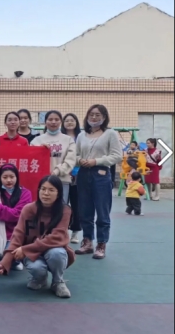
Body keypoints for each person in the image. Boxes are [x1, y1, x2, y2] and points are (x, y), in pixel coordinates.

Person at [0, 175, 75, 299]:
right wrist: (5, 263)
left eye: (51, 190)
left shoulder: (65, 210)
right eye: (43, 189)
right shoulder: (29, 209)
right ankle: (40, 279)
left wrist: (25, 249)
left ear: (58, 193)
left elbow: (56, 237)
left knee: (57, 253)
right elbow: (18, 235)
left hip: (51, 249)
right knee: (37, 268)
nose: (46, 193)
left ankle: (58, 282)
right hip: (32, 254)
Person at [75, 104, 122, 259]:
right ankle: (87, 241)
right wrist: (79, 160)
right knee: (85, 210)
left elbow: (117, 156)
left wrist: (96, 161)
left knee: (102, 211)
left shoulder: (110, 134)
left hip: (101, 174)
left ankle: (101, 244)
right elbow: (75, 154)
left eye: (97, 115)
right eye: (91, 114)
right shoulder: (82, 135)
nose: (94, 117)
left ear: (104, 117)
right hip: (83, 174)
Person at [0, 164, 32, 269]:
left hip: (17, 234)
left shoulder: (26, 193)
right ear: (0, 178)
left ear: (17, 177)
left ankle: (15, 260)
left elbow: (15, 215)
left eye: (12, 177)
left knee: (10, 254)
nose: (9, 180)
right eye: (5, 177)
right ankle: (9, 261)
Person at [31, 110, 76, 204]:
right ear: (45, 122)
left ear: (60, 122)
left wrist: (57, 171)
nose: (53, 122)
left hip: (62, 181)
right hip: (42, 182)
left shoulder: (68, 140)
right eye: (50, 119)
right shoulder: (37, 141)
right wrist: (39, 150)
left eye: (56, 119)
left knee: (61, 208)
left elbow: (70, 161)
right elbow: (31, 160)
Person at [61, 113, 82, 244]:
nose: (69, 122)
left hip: (77, 176)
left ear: (76, 122)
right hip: (62, 175)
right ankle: (62, 231)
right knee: (62, 204)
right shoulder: (60, 138)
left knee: (76, 204)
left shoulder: (81, 137)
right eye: (67, 120)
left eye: (72, 120)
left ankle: (75, 232)